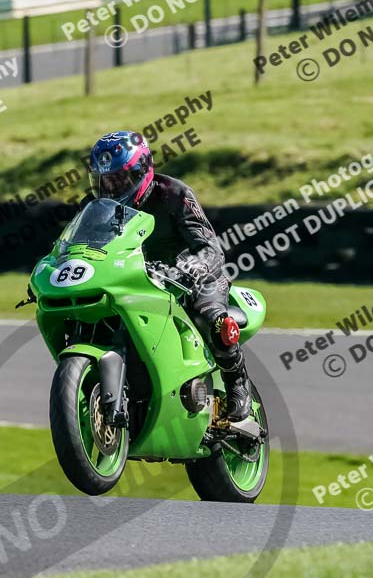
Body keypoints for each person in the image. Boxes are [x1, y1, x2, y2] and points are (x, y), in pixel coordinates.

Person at [82, 130, 252, 421]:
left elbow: (210, 247)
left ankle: (238, 384)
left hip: (192, 277)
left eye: (120, 179)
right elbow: (79, 243)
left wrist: (190, 268)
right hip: (135, 280)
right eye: (105, 181)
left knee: (208, 315)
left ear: (142, 170)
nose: (112, 188)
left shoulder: (174, 193)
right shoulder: (96, 207)